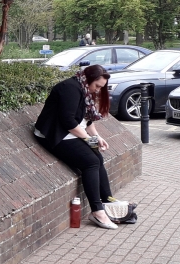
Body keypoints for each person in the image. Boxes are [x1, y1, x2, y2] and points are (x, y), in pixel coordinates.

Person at [34, 64, 119, 229]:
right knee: (90, 162)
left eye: (101, 87)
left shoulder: (84, 90)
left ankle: (107, 201)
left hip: (70, 131)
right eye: (97, 86)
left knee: (97, 156)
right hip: (54, 134)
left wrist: (97, 138)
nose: (97, 90)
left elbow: (86, 122)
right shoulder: (70, 88)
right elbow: (68, 121)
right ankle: (97, 212)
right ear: (89, 79)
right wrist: (89, 139)